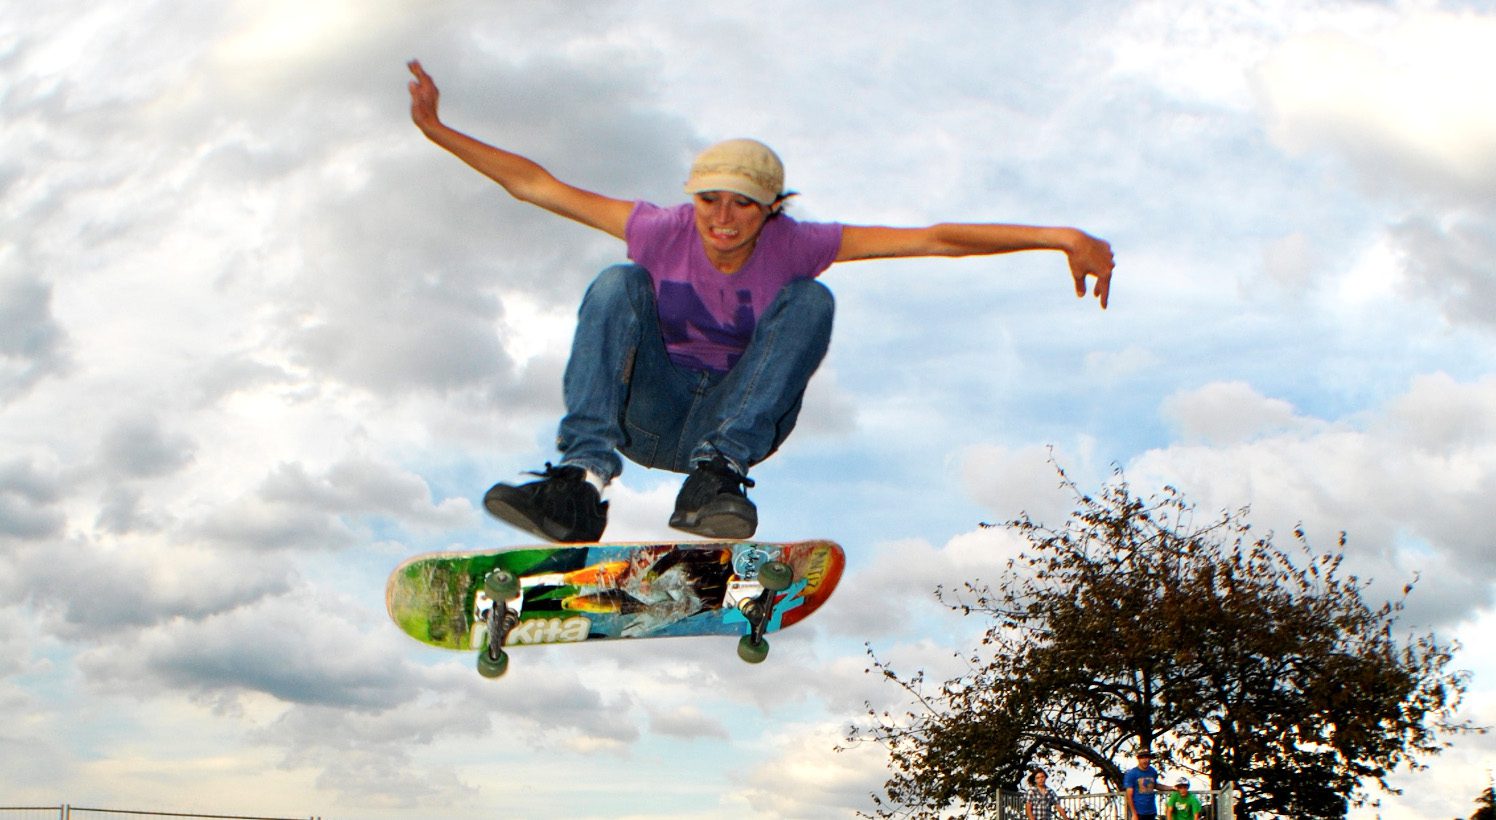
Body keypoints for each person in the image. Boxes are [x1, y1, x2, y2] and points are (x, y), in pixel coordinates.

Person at [407, 59, 1116, 542]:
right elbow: (537, 185)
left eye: (743, 206)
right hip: (645, 413)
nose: (722, 220)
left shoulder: (800, 245)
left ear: (771, 208)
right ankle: (579, 483)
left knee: (812, 299)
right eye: (710, 201)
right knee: (615, 283)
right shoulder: (659, 229)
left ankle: (717, 480)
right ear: (694, 199)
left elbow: (934, 239)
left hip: (731, 422)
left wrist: (1057, 235)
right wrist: (439, 132)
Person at [1123, 749, 1162, 820]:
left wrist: (1172, 788)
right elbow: (1129, 796)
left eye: (1147, 757)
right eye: (1142, 758)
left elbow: (1155, 785)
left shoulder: (1153, 771)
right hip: (1139, 812)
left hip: (1151, 811)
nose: (1145, 760)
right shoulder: (1132, 774)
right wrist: (1134, 814)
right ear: (1138, 759)